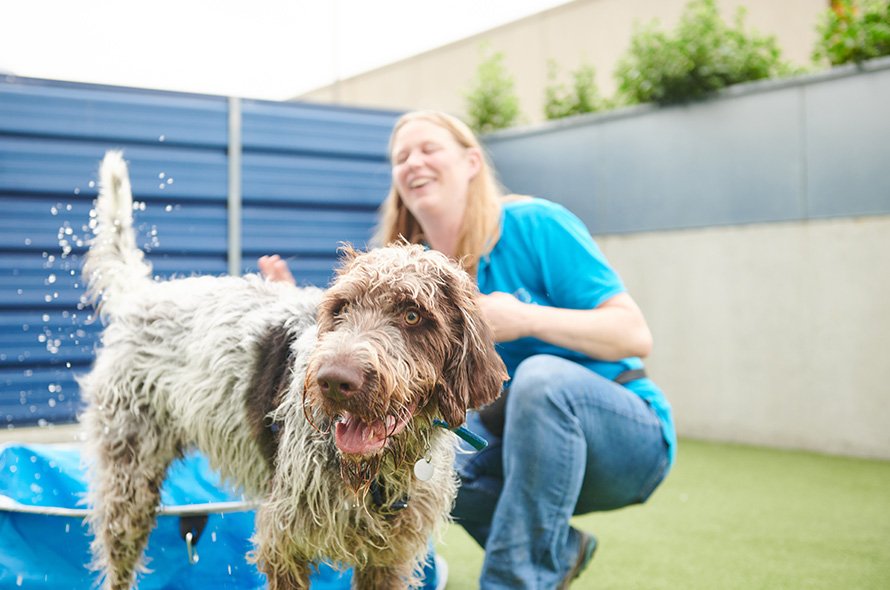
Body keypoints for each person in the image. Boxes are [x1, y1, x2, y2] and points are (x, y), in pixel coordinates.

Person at [262, 110, 676, 589]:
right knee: (433, 464)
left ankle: (514, 581)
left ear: (472, 161)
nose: (413, 162)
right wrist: (300, 308)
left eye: (428, 149)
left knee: (542, 381)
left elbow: (633, 333)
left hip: (621, 438)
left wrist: (525, 319)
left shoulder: (536, 224)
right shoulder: (407, 259)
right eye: (401, 156)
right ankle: (560, 550)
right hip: (518, 444)